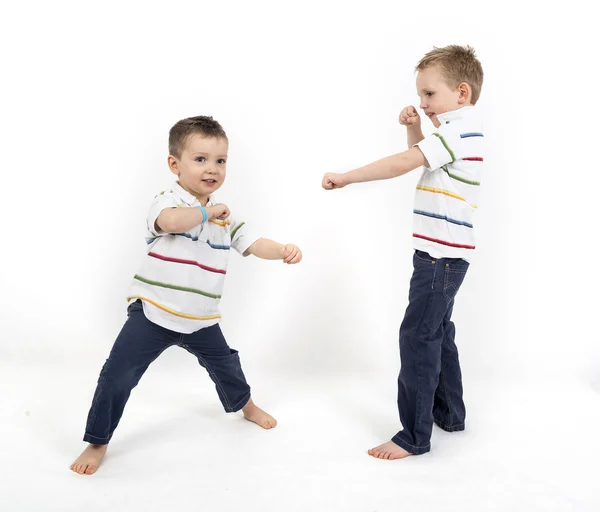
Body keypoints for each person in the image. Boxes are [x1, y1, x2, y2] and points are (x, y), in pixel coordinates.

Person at [71, 115, 302, 475]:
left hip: (201, 318)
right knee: (118, 375)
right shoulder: (168, 200)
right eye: (200, 159)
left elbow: (254, 243)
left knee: (226, 364)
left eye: (220, 161)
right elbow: (174, 223)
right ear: (174, 165)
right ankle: (97, 441)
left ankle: (246, 405)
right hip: (154, 313)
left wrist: (283, 249)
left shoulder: (226, 217)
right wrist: (206, 211)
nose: (212, 168)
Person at [322, 45, 484, 459]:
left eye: (429, 94)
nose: (422, 102)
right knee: (438, 332)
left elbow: (404, 163)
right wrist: (414, 128)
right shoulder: (458, 131)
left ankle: (413, 436)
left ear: (461, 93)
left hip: (438, 256)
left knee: (417, 336)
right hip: (445, 254)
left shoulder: (457, 131)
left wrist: (348, 177)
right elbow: (426, 160)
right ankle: (449, 414)